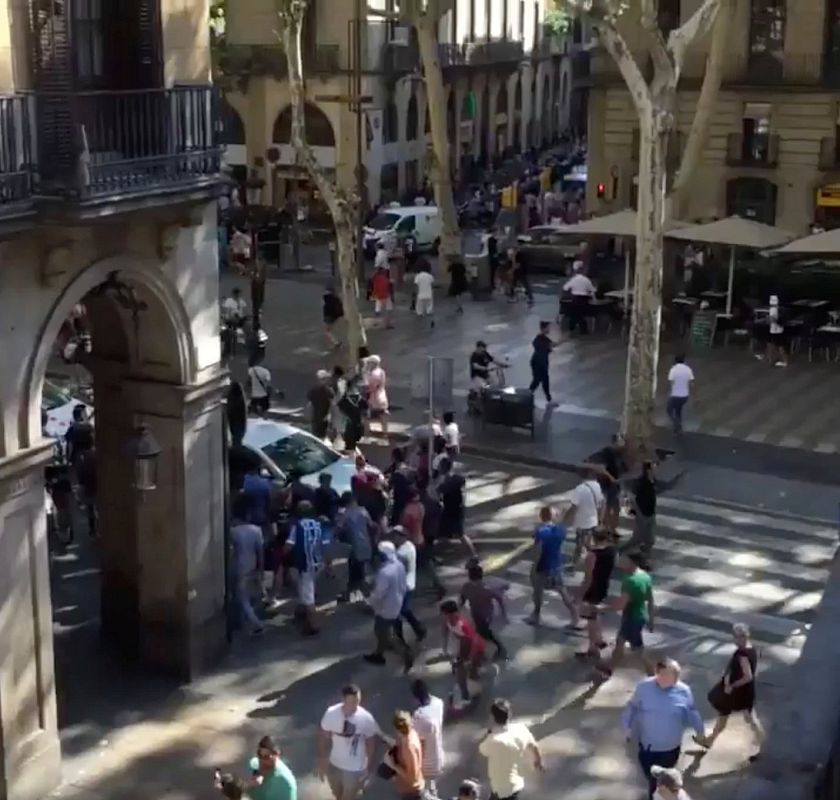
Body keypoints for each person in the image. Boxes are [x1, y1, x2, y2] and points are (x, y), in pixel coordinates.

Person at [621, 659, 704, 800]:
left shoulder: (684, 691)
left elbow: (692, 712)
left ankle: (656, 795)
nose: (675, 680)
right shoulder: (643, 687)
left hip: (670, 749)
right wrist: (626, 726)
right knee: (651, 776)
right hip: (647, 748)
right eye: (670, 675)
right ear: (658, 673)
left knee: (659, 783)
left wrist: (700, 731)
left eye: (676, 676)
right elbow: (632, 706)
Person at [695, 622, 764, 760]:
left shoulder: (742, 654)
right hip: (739, 691)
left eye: (737, 637)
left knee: (750, 718)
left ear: (743, 637)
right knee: (724, 713)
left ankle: (762, 744)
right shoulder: (750, 648)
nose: (735, 639)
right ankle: (709, 741)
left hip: (740, 692)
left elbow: (748, 676)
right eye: (735, 636)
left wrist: (732, 685)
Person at [594, 551, 655, 682]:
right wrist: (651, 619)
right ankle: (609, 669)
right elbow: (650, 599)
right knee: (620, 643)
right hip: (638, 617)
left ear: (632, 562)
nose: (620, 562)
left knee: (638, 651)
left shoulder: (630, 581)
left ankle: (653, 675)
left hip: (632, 620)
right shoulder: (645, 576)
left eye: (623, 560)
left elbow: (620, 605)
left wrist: (600, 609)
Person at [319, 685, 381, 800]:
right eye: (351, 702)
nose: (355, 706)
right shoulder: (331, 714)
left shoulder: (366, 718)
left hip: (355, 768)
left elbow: (371, 742)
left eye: (357, 701)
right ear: (343, 700)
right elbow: (323, 736)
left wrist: (368, 767)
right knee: (337, 794)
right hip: (335, 764)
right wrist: (322, 761)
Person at [525, 506, 581, 630]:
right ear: (554, 517)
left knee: (538, 591)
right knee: (562, 591)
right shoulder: (560, 530)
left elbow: (538, 551)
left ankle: (536, 615)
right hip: (556, 565)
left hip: (543, 565)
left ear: (541, 516)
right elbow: (565, 523)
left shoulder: (541, 532)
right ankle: (575, 616)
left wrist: (534, 567)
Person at [478, 699, 544, 800]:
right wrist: (538, 762)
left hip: (501, 791)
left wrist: (489, 732)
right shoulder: (520, 729)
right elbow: (534, 746)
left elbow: (482, 749)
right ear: (509, 714)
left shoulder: (493, 740)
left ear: (492, 717)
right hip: (517, 784)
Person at [364, 540, 414, 671]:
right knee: (382, 631)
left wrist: (369, 601)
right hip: (396, 603)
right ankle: (379, 653)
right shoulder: (399, 565)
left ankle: (404, 653)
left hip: (385, 608)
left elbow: (379, 593)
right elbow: (403, 585)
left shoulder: (385, 572)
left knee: (383, 633)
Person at [283, 501, 323, 636]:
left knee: (308, 597)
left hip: (305, 565)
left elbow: (289, 545)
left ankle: (313, 625)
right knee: (304, 589)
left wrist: (282, 555)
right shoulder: (318, 524)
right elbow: (324, 544)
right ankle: (301, 614)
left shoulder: (298, 526)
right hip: (317, 563)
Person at [577, 528, 617, 658]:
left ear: (593, 538)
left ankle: (594, 647)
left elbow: (588, 577)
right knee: (594, 615)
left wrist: (580, 593)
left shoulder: (592, 555)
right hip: (603, 585)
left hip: (592, 588)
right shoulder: (612, 551)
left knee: (591, 619)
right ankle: (597, 641)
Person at [231, 493, 265, 636]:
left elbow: (232, 551)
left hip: (238, 567)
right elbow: (260, 552)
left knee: (241, 598)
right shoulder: (257, 530)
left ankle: (256, 623)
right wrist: (261, 570)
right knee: (251, 596)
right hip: (253, 566)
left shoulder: (233, 532)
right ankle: (245, 620)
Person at [440, 599, 485, 706]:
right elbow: (446, 632)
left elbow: (474, 642)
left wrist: (469, 658)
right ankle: (470, 690)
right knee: (464, 672)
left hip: (476, 648)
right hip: (464, 646)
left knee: (464, 674)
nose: (442, 616)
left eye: (444, 614)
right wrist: (445, 649)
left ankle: (467, 697)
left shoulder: (462, 625)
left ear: (450, 613)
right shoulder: (448, 621)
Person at [460, 562, 508, 660]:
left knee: (485, 631)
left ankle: (500, 648)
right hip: (485, 614)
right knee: (481, 630)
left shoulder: (466, 586)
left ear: (469, 576)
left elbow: (462, 598)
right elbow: (499, 599)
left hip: (477, 613)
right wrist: (503, 612)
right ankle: (486, 647)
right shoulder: (487, 588)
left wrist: (460, 606)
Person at [336, 491, 374, 602]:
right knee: (358, 572)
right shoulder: (363, 511)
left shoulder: (345, 514)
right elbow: (371, 525)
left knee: (357, 573)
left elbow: (338, 529)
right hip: (365, 545)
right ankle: (348, 594)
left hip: (354, 547)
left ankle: (369, 598)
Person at [410, 680, 445, 799]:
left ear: (416, 698)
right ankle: (433, 791)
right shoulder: (439, 703)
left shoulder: (419, 716)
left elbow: (415, 738)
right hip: (438, 754)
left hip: (426, 761)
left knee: (424, 790)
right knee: (432, 781)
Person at [436, 458, 476, 559]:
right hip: (456, 510)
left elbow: (439, 493)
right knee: (443, 534)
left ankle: (473, 556)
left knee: (459, 535)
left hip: (451, 512)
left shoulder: (446, 483)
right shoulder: (458, 479)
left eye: (440, 467)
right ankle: (440, 554)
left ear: (443, 468)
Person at [394, 525, 426, 642]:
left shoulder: (400, 553)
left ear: (402, 537)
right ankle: (419, 630)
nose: (394, 538)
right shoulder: (410, 546)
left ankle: (399, 638)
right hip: (410, 583)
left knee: (397, 612)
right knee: (404, 610)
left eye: (396, 535)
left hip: (402, 586)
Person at [384, 711, 425, 800]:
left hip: (411, 792)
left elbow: (412, 779)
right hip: (408, 789)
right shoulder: (411, 733)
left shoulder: (408, 748)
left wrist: (392, 765)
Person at [568, 469, 604, 566]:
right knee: (590, 544)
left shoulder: (579, 489)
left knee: (579, 545)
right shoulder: (597, 486)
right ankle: (595, 562)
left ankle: (574, 564)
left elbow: (574, 507)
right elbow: (601, 504)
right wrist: (600, 520)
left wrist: (565, 518)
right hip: (593, 521)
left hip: (581, 523)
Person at [623, 461, 657, 561]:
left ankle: (644, 558)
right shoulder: (642, 483)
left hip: (651, 514)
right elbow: (634, 500)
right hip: (643, 515)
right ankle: (620, 552)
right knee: (637, 540)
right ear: (648, 470)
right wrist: (640, 514)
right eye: (654, 468)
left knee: (650, 540)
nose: (656, 470)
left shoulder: (652, 481)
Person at [246, 735, 298, 800]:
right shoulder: (256, 764)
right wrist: (255, 776)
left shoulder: (285, 783)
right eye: (259, 754)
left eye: (266, 757)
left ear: (277, 755)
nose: (262, 760)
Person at [562, 262, 595, 334]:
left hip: (575, 299)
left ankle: (572, 329)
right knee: (581, 315)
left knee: (574, 315)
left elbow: (565, 288)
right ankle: (583, 331)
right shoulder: (587, 280)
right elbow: (592, 290)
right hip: (584, 300)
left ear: (575, 271)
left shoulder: (574, 279)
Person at [528, 321, 556, 403]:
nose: (549, 329)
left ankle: (548, 398)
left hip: (541, 362)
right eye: (548, 328)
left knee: (544, 380)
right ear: (544, 328)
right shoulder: (540, 338)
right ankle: (528, 395)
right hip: (539, 362)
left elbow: (551, 345)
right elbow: (545, 347)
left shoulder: (543, 338)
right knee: (538, 380)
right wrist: (549, 348)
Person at [666, 355, 694, 434]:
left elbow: (671, 382)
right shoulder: (688, 369)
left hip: (675, 395)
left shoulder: (673, 370)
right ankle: (677, 427)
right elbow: (692, 383)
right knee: (678, 410)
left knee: (669, 410)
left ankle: (677, 424)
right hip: (685, 396)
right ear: (684, 361)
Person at [757, 294, 787, 367]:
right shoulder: (775, 309)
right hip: (774, 329)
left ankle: (784, 361)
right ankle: (770, 359)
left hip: (777, 330)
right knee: (770, 344)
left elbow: (776, 320)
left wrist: (769, 319)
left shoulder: (777, 310)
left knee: (779, 345)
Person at [366, 355, 390, 436]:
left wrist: (369, 390)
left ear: (374, 363)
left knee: (381, 414)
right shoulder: (373, 372)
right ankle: (382, 433)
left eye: (369, 363)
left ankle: (383, 433)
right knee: (368, 415)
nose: (368, 364)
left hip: (377, 397)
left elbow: (376, 385)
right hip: (375, 396)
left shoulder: (377, 373)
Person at [308, 370, 336, 441]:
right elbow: (333, 404)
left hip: (319, 417)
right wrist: (330, 415)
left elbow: (310, 404)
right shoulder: (327, 390)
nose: (327, 380)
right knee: (319, 436)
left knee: (317, 436)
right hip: (321, 418)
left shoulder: (314, 389)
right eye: (325, 379)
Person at [323, 284, 344, 351]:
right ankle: (336, 342)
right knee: (331, 329)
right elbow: (340, 306)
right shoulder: (336, 298)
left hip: (329, 316)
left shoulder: (326, 298)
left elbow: (326, 308)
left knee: (327, 331)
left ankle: (336, 343)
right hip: (336, 316)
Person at [414, 262, 435, 328]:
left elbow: (416, 285)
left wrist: (416, 293)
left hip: (420, 294)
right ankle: (430, 321)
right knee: (429, 308)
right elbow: (432, 285)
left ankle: (420, 322)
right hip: (429, 294)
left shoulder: (418, 276)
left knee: (419, 309)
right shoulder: (430, 276)